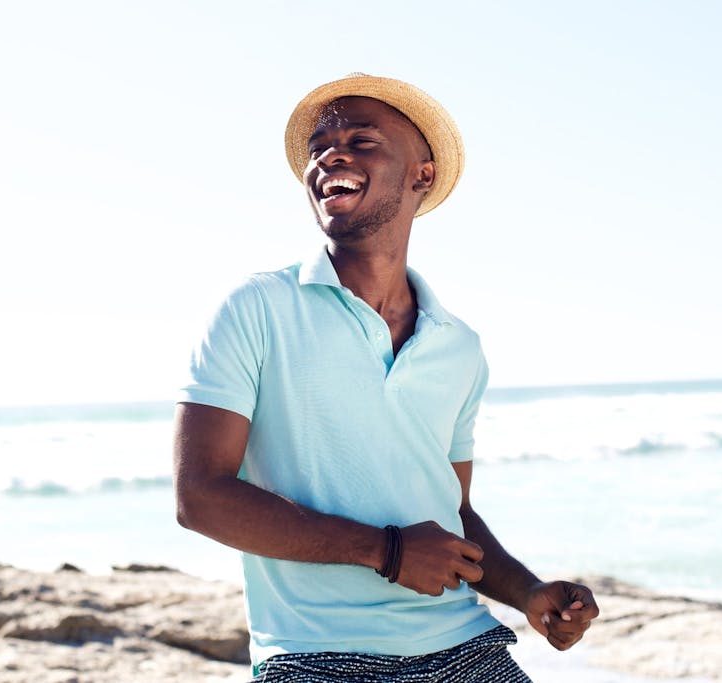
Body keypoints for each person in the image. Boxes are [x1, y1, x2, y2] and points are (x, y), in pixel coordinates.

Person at [173, 73, 599, 682]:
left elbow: (452, 513)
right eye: (319, 147)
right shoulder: (257, 308)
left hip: (464, 645)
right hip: (312, 656)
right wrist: (387, 551)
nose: (330, 156)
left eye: (361, 140)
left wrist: (528, 592)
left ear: (422, 174)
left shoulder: (459, 347)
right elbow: (200, 498)